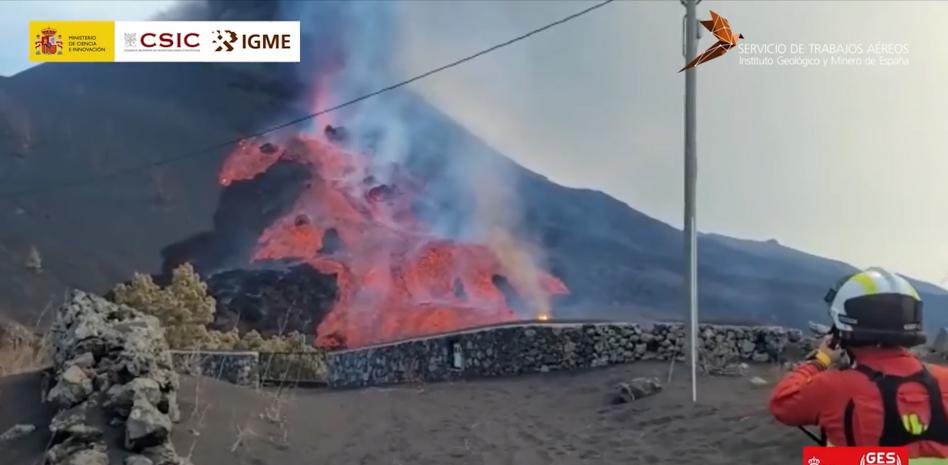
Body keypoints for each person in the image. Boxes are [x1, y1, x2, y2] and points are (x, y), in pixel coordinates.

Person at [769, 267, 948, 461]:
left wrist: (820, 360)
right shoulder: (944, 379)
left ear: (843, 326)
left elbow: (782, 405)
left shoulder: (835, 387)